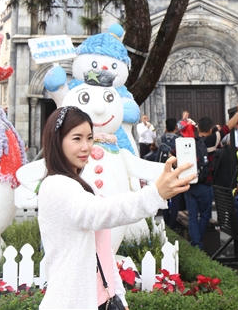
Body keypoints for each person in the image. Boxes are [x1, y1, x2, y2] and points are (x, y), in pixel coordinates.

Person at [36, 106, 192, 309]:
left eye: (89, 138)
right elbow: (104, 212)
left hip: (103, 300)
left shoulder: (79, 184)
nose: (86, 146)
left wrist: (118, 295)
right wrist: (155, 194)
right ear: (57, 141)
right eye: (77, 138)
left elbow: (103, 252)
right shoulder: (55, 186)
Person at [184, 116, 217, 249]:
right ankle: (198, 242)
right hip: (205, 184)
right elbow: (227, 128)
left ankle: (196, 243)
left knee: (192, 216)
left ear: (198, 129)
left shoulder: (189, 142)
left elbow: (172, 154)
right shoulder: (211, 141)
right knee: (204, 215)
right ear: (210, 129)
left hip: (190, 183)